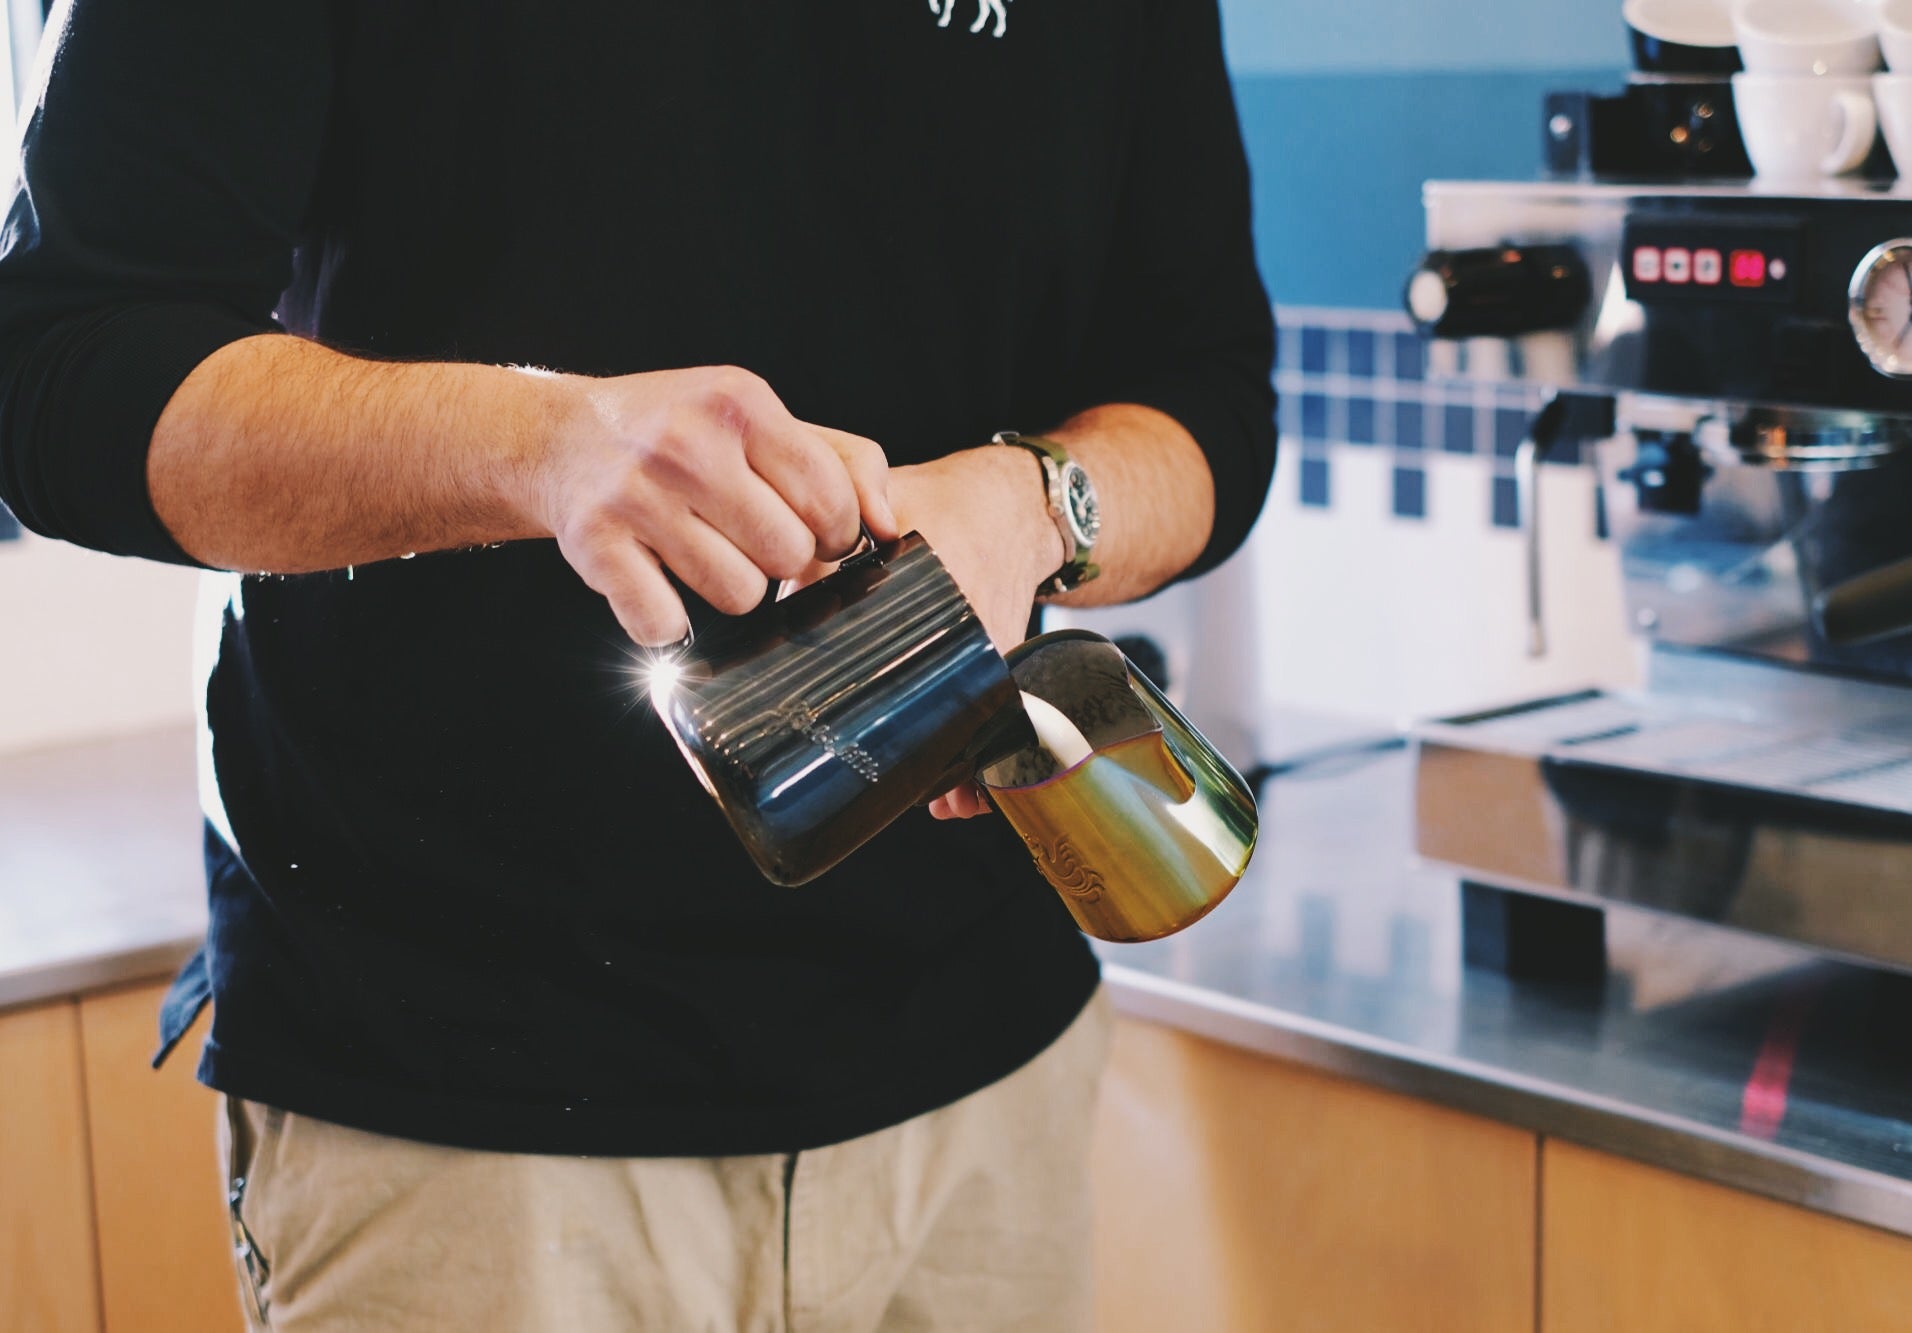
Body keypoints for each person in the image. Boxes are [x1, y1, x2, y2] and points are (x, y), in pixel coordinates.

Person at [0, 1, 1275, 1328]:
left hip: (984, 1096)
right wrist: (542, 445)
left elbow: (1211, 399)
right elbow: (62, 371)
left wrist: (1034, 502)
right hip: (468, 1132)